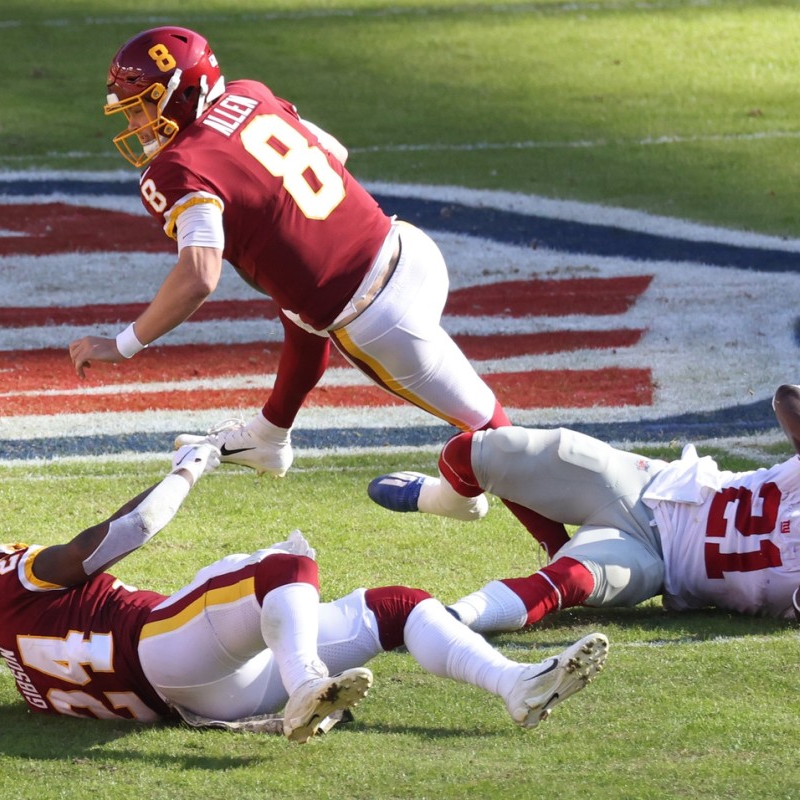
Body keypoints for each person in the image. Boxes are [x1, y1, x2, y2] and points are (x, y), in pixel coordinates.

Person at [66, 25, 570, 553]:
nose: (134, 120)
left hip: (379, 316)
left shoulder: (178, 169)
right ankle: (269, 435)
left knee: (489, 432)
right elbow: (335, 151)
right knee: (295, 292)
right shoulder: (249, 94)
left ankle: (552, 547)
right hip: (409, 246)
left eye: (142, 105)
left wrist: (124, 344)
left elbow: (199, 275)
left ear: (185, 92)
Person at [0, 438, 609, 742]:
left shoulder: (31, 687)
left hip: (194, 697)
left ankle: (515, 685)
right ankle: (307, 681)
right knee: (282, 568)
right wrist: (189, 467)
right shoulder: (6, 587)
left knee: (396, 607)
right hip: (159, 646)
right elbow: (131, 527)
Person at [367, 384, 800, 631]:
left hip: (662, 566)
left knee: (572, 579)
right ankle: (444, 500)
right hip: (652, 487)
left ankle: (447, 622)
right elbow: (790, 398)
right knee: (489, 449)